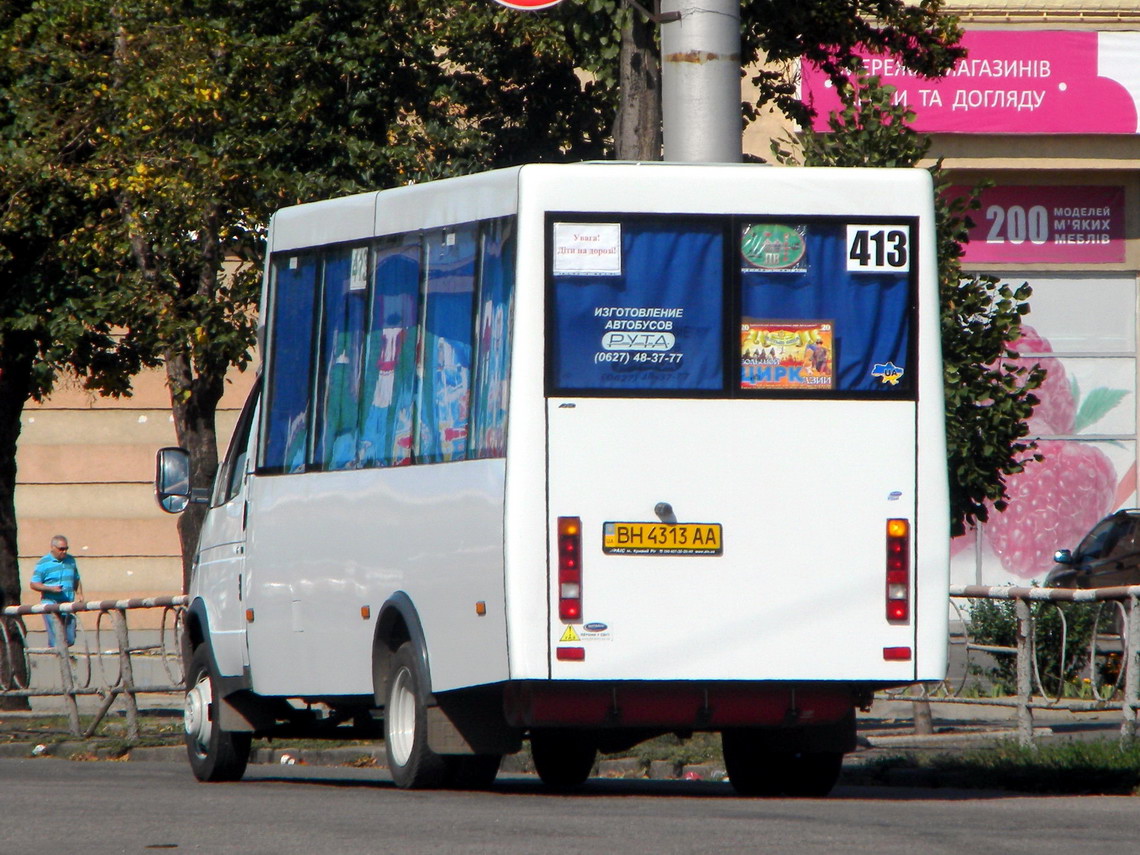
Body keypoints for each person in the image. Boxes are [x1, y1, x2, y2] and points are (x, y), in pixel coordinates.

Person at [30, 535, 83, 648]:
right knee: (57, 640)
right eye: (61, 549)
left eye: (66, 549)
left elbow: (76, 579)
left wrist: (79, 594)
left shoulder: (71, 560)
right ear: (53, 547)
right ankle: (59, 658)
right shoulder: (43, 563)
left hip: (68, 605)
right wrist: (51, 589)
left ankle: (65, 658)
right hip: (50, 605)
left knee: (70, 638)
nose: (64, 552)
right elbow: (34, 584)